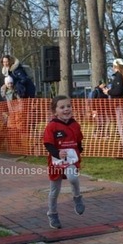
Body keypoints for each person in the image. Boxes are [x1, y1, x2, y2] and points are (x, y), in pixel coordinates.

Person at [43, 95, 85, 229]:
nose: (66, 109)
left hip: (70, 159)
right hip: (56, 161)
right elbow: (48, 144)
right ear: (55, 111)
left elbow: (78, 140)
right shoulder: (52, 126)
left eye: (68, 106)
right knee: (54, 190)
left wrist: (79, 149)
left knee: (73, 177)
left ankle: (77, 197)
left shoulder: (75, 124)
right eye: (62, 107)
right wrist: (57, 153)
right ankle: (52, 213)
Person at [103, 58, 123, 154]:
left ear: (115, 66)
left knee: (122, 128)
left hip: (120, 105)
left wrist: (108, 92)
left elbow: (118, 91)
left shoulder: (119, 77)